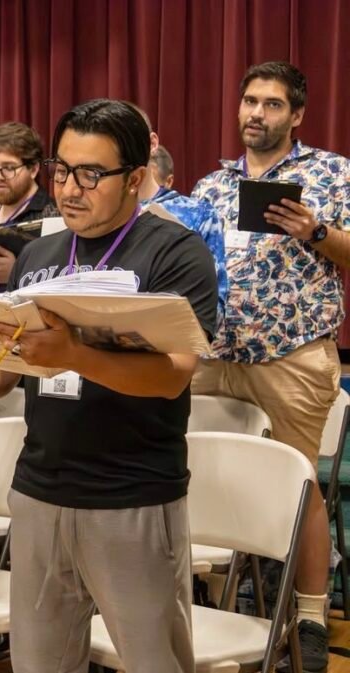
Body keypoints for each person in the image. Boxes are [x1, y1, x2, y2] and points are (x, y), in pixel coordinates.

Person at [0, 99, 218, 673]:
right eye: (62, 170)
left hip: (131, 495)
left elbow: (172, 376)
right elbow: (7, 376)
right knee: (39, 663)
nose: (69, 189)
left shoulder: (174, 252)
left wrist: (75, 354)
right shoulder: (39, 253)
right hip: (39, 490)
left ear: (134, 178)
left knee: (154, 662)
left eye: (91, 174)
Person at [191, 61, 350, 673]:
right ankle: (210, 595)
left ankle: (309, 616)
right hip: (214, 355)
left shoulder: (331, 173)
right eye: (250, 101)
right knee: (196, 471)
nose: (257, 113)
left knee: (298, 483)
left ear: (297, 114)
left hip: (293, 352)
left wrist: (316, 230)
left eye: (273, 104)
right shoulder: (212, 185)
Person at [130, 104, 227, 328]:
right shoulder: (95, 215)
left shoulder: (198, 215)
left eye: (129, 140)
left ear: (152, 143)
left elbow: (214, 309)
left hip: (172, 340)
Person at [0, 122, 60, 286]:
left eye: (8, 168)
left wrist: (16, 274)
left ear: (33, 169)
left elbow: (62, 278)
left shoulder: (52, 215)